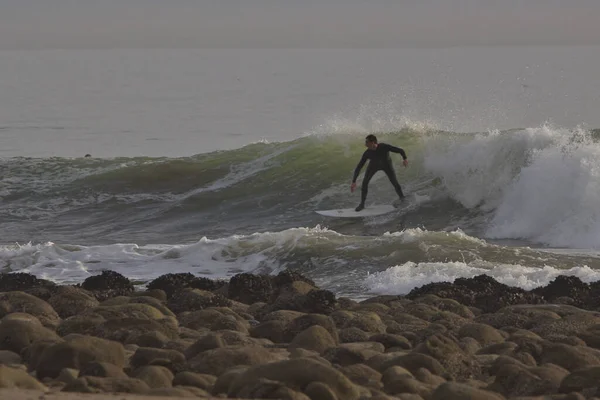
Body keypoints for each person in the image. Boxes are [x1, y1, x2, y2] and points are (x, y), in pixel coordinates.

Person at [350, 134, 409, 211]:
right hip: (373, 166)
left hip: (387, 165)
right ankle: (362, 204)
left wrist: (404, 159)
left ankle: (402, 198)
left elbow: (400, 150)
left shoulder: (384, 147)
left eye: (367, 142)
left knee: (395, 182)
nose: (365, 144)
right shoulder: (367, 153)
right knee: (365, 183)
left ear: (373, 142)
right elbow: (359, 166)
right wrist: (354, 181)